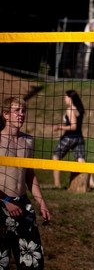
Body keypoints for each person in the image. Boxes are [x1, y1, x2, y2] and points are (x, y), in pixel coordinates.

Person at [0, 97, 52, 269]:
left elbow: (29, 175)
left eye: (23, 111)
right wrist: (6, 201)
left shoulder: (28, 141)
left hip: (22, 204)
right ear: (6, 114)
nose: (21, 114)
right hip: (1, 202)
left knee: (33, 263)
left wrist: (42, 202)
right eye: (17, 110)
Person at [52, 89, 94, 189]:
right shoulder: (79, 109)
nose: (64, 99)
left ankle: (57, 184)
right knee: (81, 160)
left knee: (56, 157)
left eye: (65, 97)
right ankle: (91, 182)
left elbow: (73, 126)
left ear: (70, 98)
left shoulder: (70, 110)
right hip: (79, 138)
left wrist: (59, 127)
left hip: (69, 137)